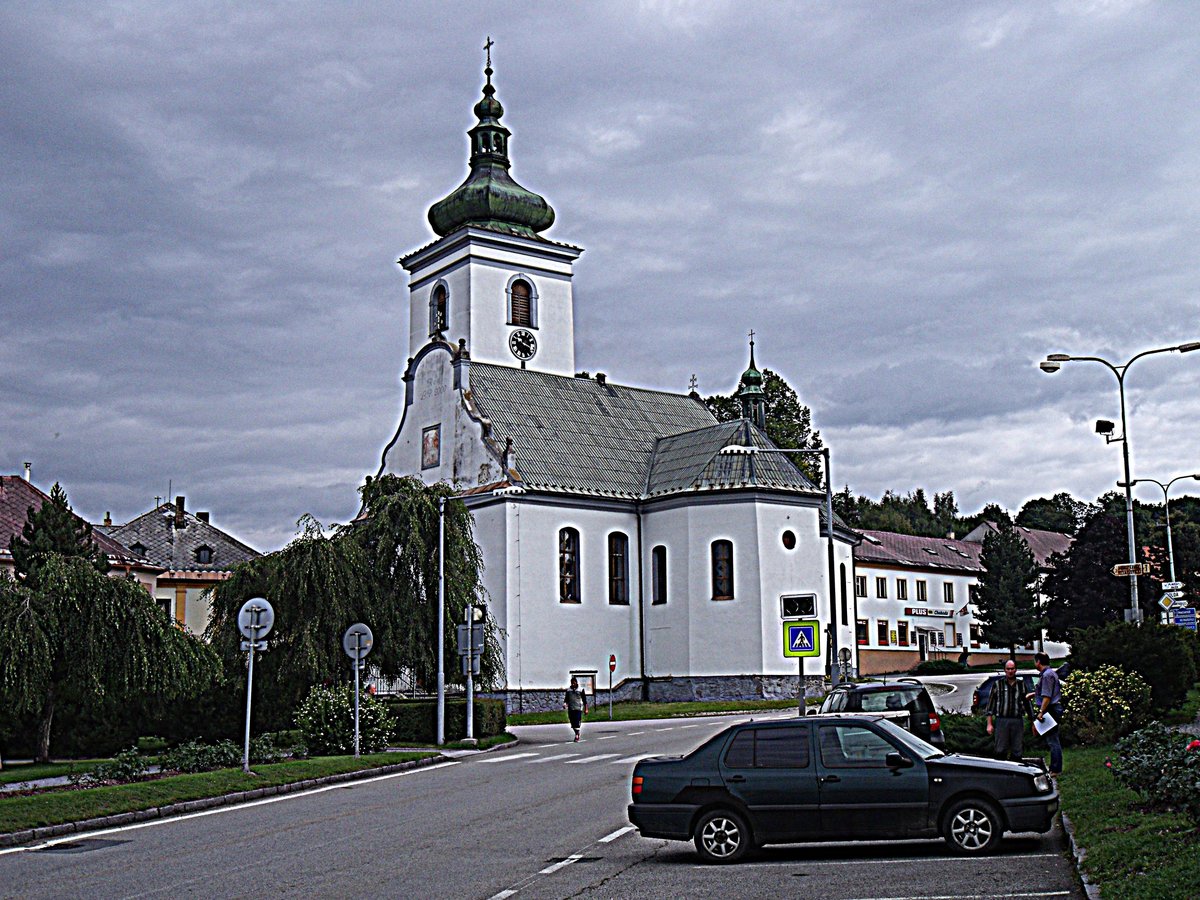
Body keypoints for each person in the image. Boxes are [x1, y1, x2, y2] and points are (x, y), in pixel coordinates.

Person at [986, 659, 1032, 762]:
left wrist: (1032, 721)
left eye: (1012, 669)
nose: (1010, 671)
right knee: (1000, 749)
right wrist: (989, 724)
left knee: (1017, 749)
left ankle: (1016, 774)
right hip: (1002, 720)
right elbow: (990, 706)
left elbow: (1027, 704)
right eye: (1008, 669)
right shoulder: (998, 684)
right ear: (1004, 670)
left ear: (1016, 670)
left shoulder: (1021, 685)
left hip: (1017, 720)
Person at [1028, 652, 1064, 776]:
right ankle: (1055, 767)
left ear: (1038, 662)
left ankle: (1056, 769)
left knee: (1052, 740)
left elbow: (1047, 696)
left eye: (1035, 661)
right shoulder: (1049, 673)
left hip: (1051, 709)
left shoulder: (1047, 675)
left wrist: (1041, 712)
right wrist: (1033, 694)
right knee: (1051, 738)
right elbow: (1046, 691)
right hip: (1051, 708)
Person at [564, 677, 588, 742]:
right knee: (572, 723)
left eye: (574, 683)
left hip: (578, 708)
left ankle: (577, 735)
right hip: (571, 708)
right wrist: (565, 704)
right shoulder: (568, 690)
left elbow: (584, 700)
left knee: (577, 722)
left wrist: (586, 709)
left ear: (576, 682)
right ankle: (577, 732)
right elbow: (566, 699)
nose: (573, 684)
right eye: (572, 683)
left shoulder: (581, 690)